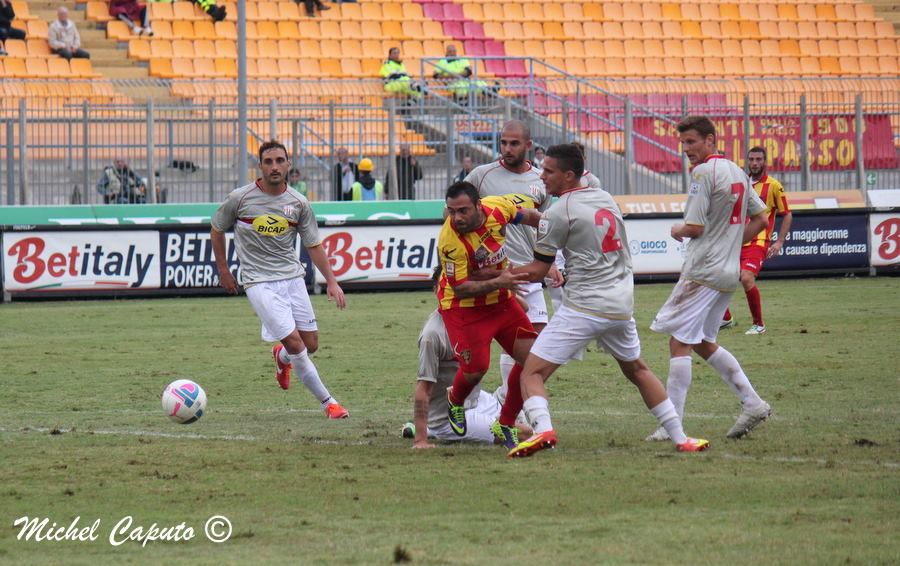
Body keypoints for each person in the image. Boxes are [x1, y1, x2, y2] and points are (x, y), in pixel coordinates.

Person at [504, 144, 709, 457]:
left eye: (548, 171)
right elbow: (571, 223)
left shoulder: (558, 213)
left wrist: (502, 276)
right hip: (620, 304)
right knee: (638, 370)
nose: (542, 176)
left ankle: (543, 430)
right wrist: (536, 218)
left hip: (584, 307)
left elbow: (537, 271)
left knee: (531, 372)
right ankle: (682, 438)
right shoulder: (604, 197)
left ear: (568, 175)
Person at [647, 116, 770, 442]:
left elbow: (695, 227)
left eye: (692, 142)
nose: (686, 149)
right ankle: (752, 402)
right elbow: (761, 218)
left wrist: (677, 230)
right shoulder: (737, 171)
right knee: (701, 342)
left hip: (703, 271)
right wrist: (731, 242)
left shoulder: (702, 173)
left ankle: (671, 425)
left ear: (711, 140)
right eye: (683, 143)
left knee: (679, 341)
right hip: (727, 272)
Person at [210, 140, 350, 419]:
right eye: (268, 161)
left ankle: (281, 357)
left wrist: (332, 281)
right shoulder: (240, 198)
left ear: (288, 165)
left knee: (310, 345)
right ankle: (329, 403)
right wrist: (224, 270)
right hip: (258, 281)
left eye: (279, 161)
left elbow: (314, 245)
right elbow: (216, 228)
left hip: (292, 277)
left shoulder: (299, 204)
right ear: (259, 167)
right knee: (297, 344)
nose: (274, 166)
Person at [438, 182, 544, 448]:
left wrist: (552, 231)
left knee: (532, 363)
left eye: (462, 211)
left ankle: (505, 422)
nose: (456, 218)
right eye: (451, 211)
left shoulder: (497, 207)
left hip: (500, 299)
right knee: (476, 369)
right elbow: (461, 288)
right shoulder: (450, 241)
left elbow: (530, 216)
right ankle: (455, 400)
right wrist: (501, 281)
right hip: (463, 307)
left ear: (478, 205)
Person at [465, 120, 562, 402]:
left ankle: (501, 401)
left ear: (528, 146)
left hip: (529, 273)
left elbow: (543, 226)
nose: (507, 149)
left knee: (537, 348)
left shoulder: (540, 181)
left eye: (514, 143)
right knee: (512, 345)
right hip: (494, 274)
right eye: (503, 142)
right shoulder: (481, 176)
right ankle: (491, 405)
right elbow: (454, 214)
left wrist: (550, 262)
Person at [407, 267, 533, 448]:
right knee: (524, 433)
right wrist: (420, 442)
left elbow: (524, 308)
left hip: (477, 399)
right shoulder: (432, 335)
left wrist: (500, 288)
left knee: (520, 424)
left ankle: (428, 428)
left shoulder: (478, 312)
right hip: (448, 414)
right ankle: (432, 429)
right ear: (438, 290)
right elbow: (424, 387)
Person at [721, 146, 793, 335]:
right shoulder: (740, 184)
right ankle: (725, 318)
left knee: (746, 277)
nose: (754, 163)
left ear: (765, 162)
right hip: (736, 239)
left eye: (758, 159)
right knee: (718, 276)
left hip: (758, 241)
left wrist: (779, 242)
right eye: (751, 159)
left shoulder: (774, 186)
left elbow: (786, 214)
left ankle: (759, 324)